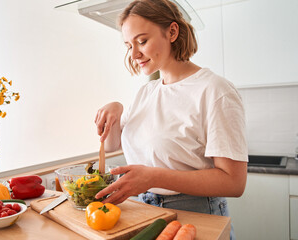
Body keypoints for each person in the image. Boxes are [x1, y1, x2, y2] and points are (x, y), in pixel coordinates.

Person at [94, 0, 247, 239]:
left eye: (142, 41)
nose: (134, 54)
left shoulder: (215, 90)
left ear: (172, 32)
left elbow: (234, 182)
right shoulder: (147, 92)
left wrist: (152, 177)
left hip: (193, 215)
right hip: (143, 211)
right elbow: (114, 144)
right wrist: (116, 108)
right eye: (128, 45)